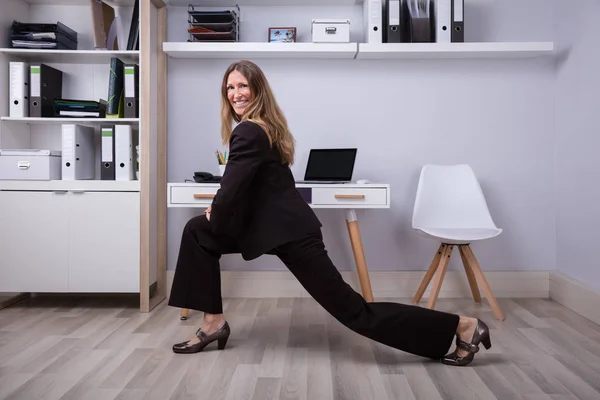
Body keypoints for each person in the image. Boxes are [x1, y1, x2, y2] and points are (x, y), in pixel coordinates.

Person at [168, 60, 492, 366]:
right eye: (229, 88)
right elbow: (249, 187)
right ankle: (213, 322)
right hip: (273, 228)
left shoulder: (249, 131)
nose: (236, 93)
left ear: (257, 90)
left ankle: (463, 327)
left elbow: (231, 187)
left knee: (355, 313)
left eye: (243, 86)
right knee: (198, 231)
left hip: (292, 235)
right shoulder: (264, 128)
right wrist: (219, 212)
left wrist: (219, 212)